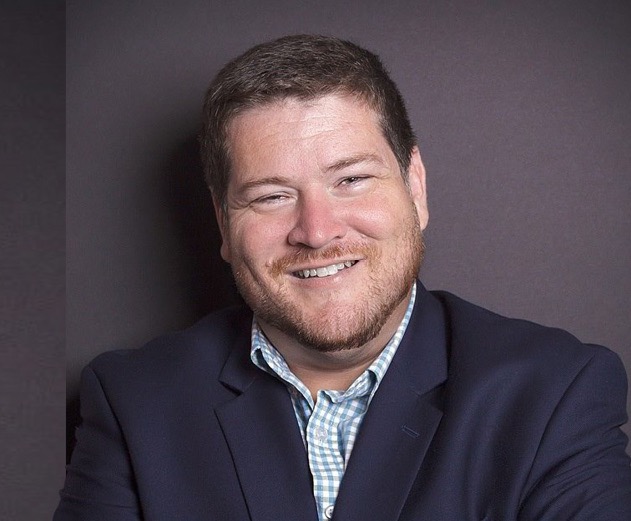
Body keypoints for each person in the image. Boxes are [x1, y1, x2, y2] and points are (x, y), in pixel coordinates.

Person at [55, 34, 631, 521]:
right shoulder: (136, 402)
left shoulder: (556, 393)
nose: (316, 229)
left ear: (416, 186)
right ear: (224, 225)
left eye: (351, 180)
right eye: (272, 196)